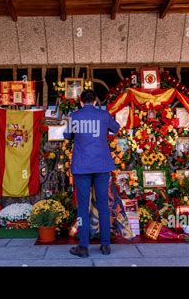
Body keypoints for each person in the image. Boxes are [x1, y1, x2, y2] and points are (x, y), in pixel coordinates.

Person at [63, 89, 120, 257]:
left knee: (83, 206)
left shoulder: (74, 115)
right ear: (95, 101)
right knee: (103, 205)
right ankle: (105, 245)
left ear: (81, 102)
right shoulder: (103, 115)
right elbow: (116, 128)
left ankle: (83, 246)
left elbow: (67, 135)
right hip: (102, 165)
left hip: (81, 166)